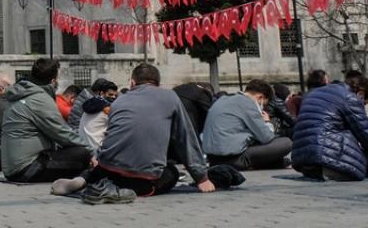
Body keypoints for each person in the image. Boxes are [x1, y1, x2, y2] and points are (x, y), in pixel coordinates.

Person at [84, 63, 224, 203]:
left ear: (132, 82)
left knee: (98, 173)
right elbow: (185, 137)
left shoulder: (118, 101)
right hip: (142, 179)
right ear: (158, 83)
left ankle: (83, 181)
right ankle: (123, 192)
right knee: (172, 173)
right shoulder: (170, 96)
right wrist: (201, 178)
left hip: (107, 169)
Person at [290, 73, 368, 181]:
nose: (363, 107)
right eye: (364, 103)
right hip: (331, 165)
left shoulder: (314, 93)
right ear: (360, 94)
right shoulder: (350, 97)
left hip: (305, 165)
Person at [0, 58, 91, 183]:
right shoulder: (39, 99)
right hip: (27, 169)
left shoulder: (19, 94)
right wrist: (92, 152)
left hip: (11, 169)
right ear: (53, 81)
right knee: (82, 154)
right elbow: (62, 133)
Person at [201, 79, 292, 170]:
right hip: (232, 158)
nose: (263, 108)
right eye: (264, 105)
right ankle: (261, 163)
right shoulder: (248, 103)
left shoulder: (223, 100)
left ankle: (273, 163)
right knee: (286, 142)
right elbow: (266, 137)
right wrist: (267, 122)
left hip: (212, 158)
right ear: (260, 97)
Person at [76, 79, 118, 150]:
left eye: (115, 95)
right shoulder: (107, 109)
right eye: (110, 94)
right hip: (97, 148)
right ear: (102, 93)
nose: (113, 97)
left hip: (83, 145)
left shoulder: (90, 103)